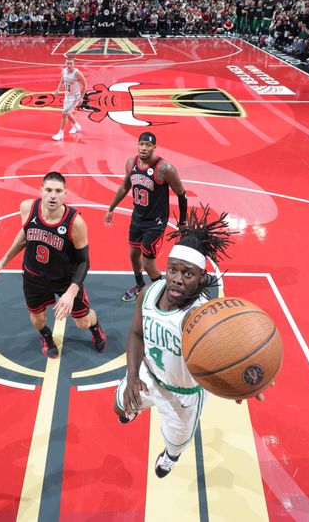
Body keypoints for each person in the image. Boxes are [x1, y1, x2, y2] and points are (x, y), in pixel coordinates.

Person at [113, 205, 271, 479]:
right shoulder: (149, 294)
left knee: (175, 445)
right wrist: (132, 374)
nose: (177, 279)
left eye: (188, 274)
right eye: (173, 270)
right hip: (148, 376)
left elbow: (228, 351)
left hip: (182, 396)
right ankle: (138, 405)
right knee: (119, 406)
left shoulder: (201, 317)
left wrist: (246, 379)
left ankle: (169, 457)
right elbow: (136, 333)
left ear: (202, 279)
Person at [0, 171, 107, 358]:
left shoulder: (75, 222)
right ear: (41, 190)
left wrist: (71, 292)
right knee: (38, 318)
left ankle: (94, 326)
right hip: (34, 276)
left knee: (82, 322)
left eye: (58, 191)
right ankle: (46, 336)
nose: (53, 195)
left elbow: (84, 261)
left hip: (65, 279)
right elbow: (25, 235)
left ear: (65, 194)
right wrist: (4, 260)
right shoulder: (27, 208)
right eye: (49, 190)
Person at [104, 131, 187, 302]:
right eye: (141, 144)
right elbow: (124, 188)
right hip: (137, 218)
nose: (144, 148)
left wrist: (183, 221)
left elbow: (182, 194)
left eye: (148, 145)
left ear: (154, 148)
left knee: (148, 262)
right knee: (134, 254)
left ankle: (164, 294)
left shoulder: (164, 168)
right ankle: (140, 285)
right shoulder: (131, 163)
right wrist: (111, 208)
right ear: (137, 145)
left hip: (155, 222)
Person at [52, 55, 86, 141]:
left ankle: (61, 133)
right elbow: (61, 81)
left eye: (71, 63)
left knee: (64, 113)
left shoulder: (77, 73)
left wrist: (81, 97)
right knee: (68, 113)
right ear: (65, 63)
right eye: (68, 63)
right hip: (67, 96)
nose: (69, 65)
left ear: (74, 63)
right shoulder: (63, 71)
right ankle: (76, 126)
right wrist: (58, 90)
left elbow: (85, 85)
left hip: (75, 97)